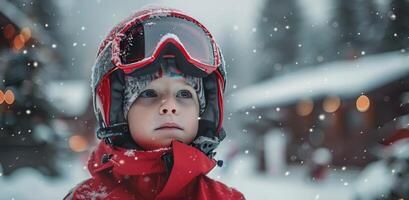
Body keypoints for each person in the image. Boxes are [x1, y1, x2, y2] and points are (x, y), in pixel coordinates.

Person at [64, 6, 245, 200]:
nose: (169, 106)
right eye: (149, 93)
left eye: (184, 94)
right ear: (117, 114)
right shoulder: (86, 197)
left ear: (203, 112)